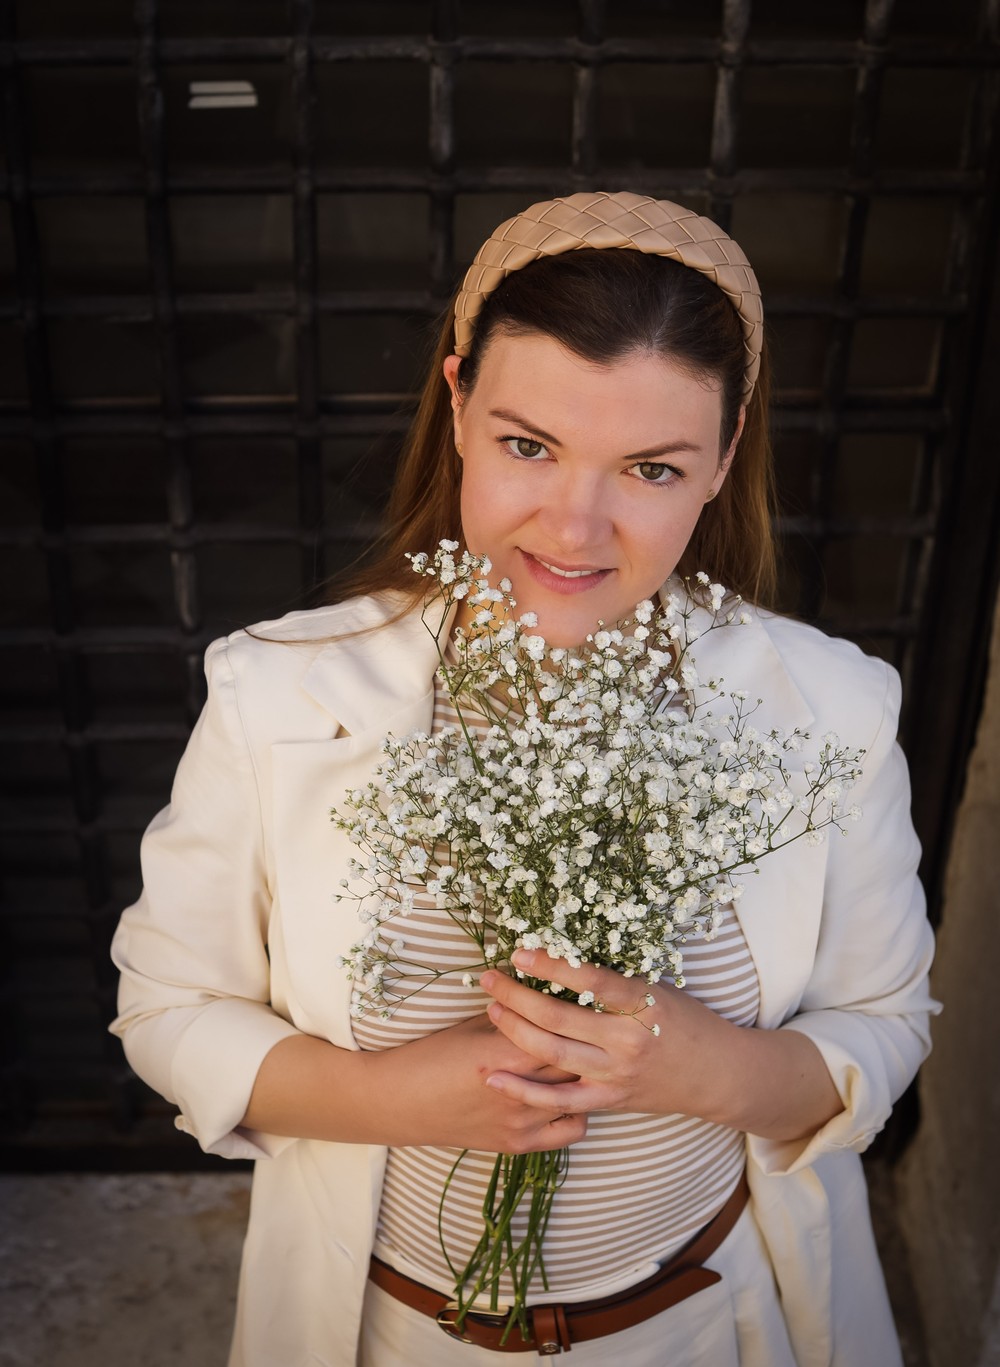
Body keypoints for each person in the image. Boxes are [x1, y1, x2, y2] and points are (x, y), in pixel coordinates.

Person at [110, 191, 938, 1367]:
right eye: (527, 445)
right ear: (455, 404)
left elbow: (885, 1022)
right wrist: (393, 1098)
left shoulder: (831, 708)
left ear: (724, 455)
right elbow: (167, 1006)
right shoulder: (281, 691)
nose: (576, 524)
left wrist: (709, 1065)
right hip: (387, 1331)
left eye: (650, 466)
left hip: (703, 1323)